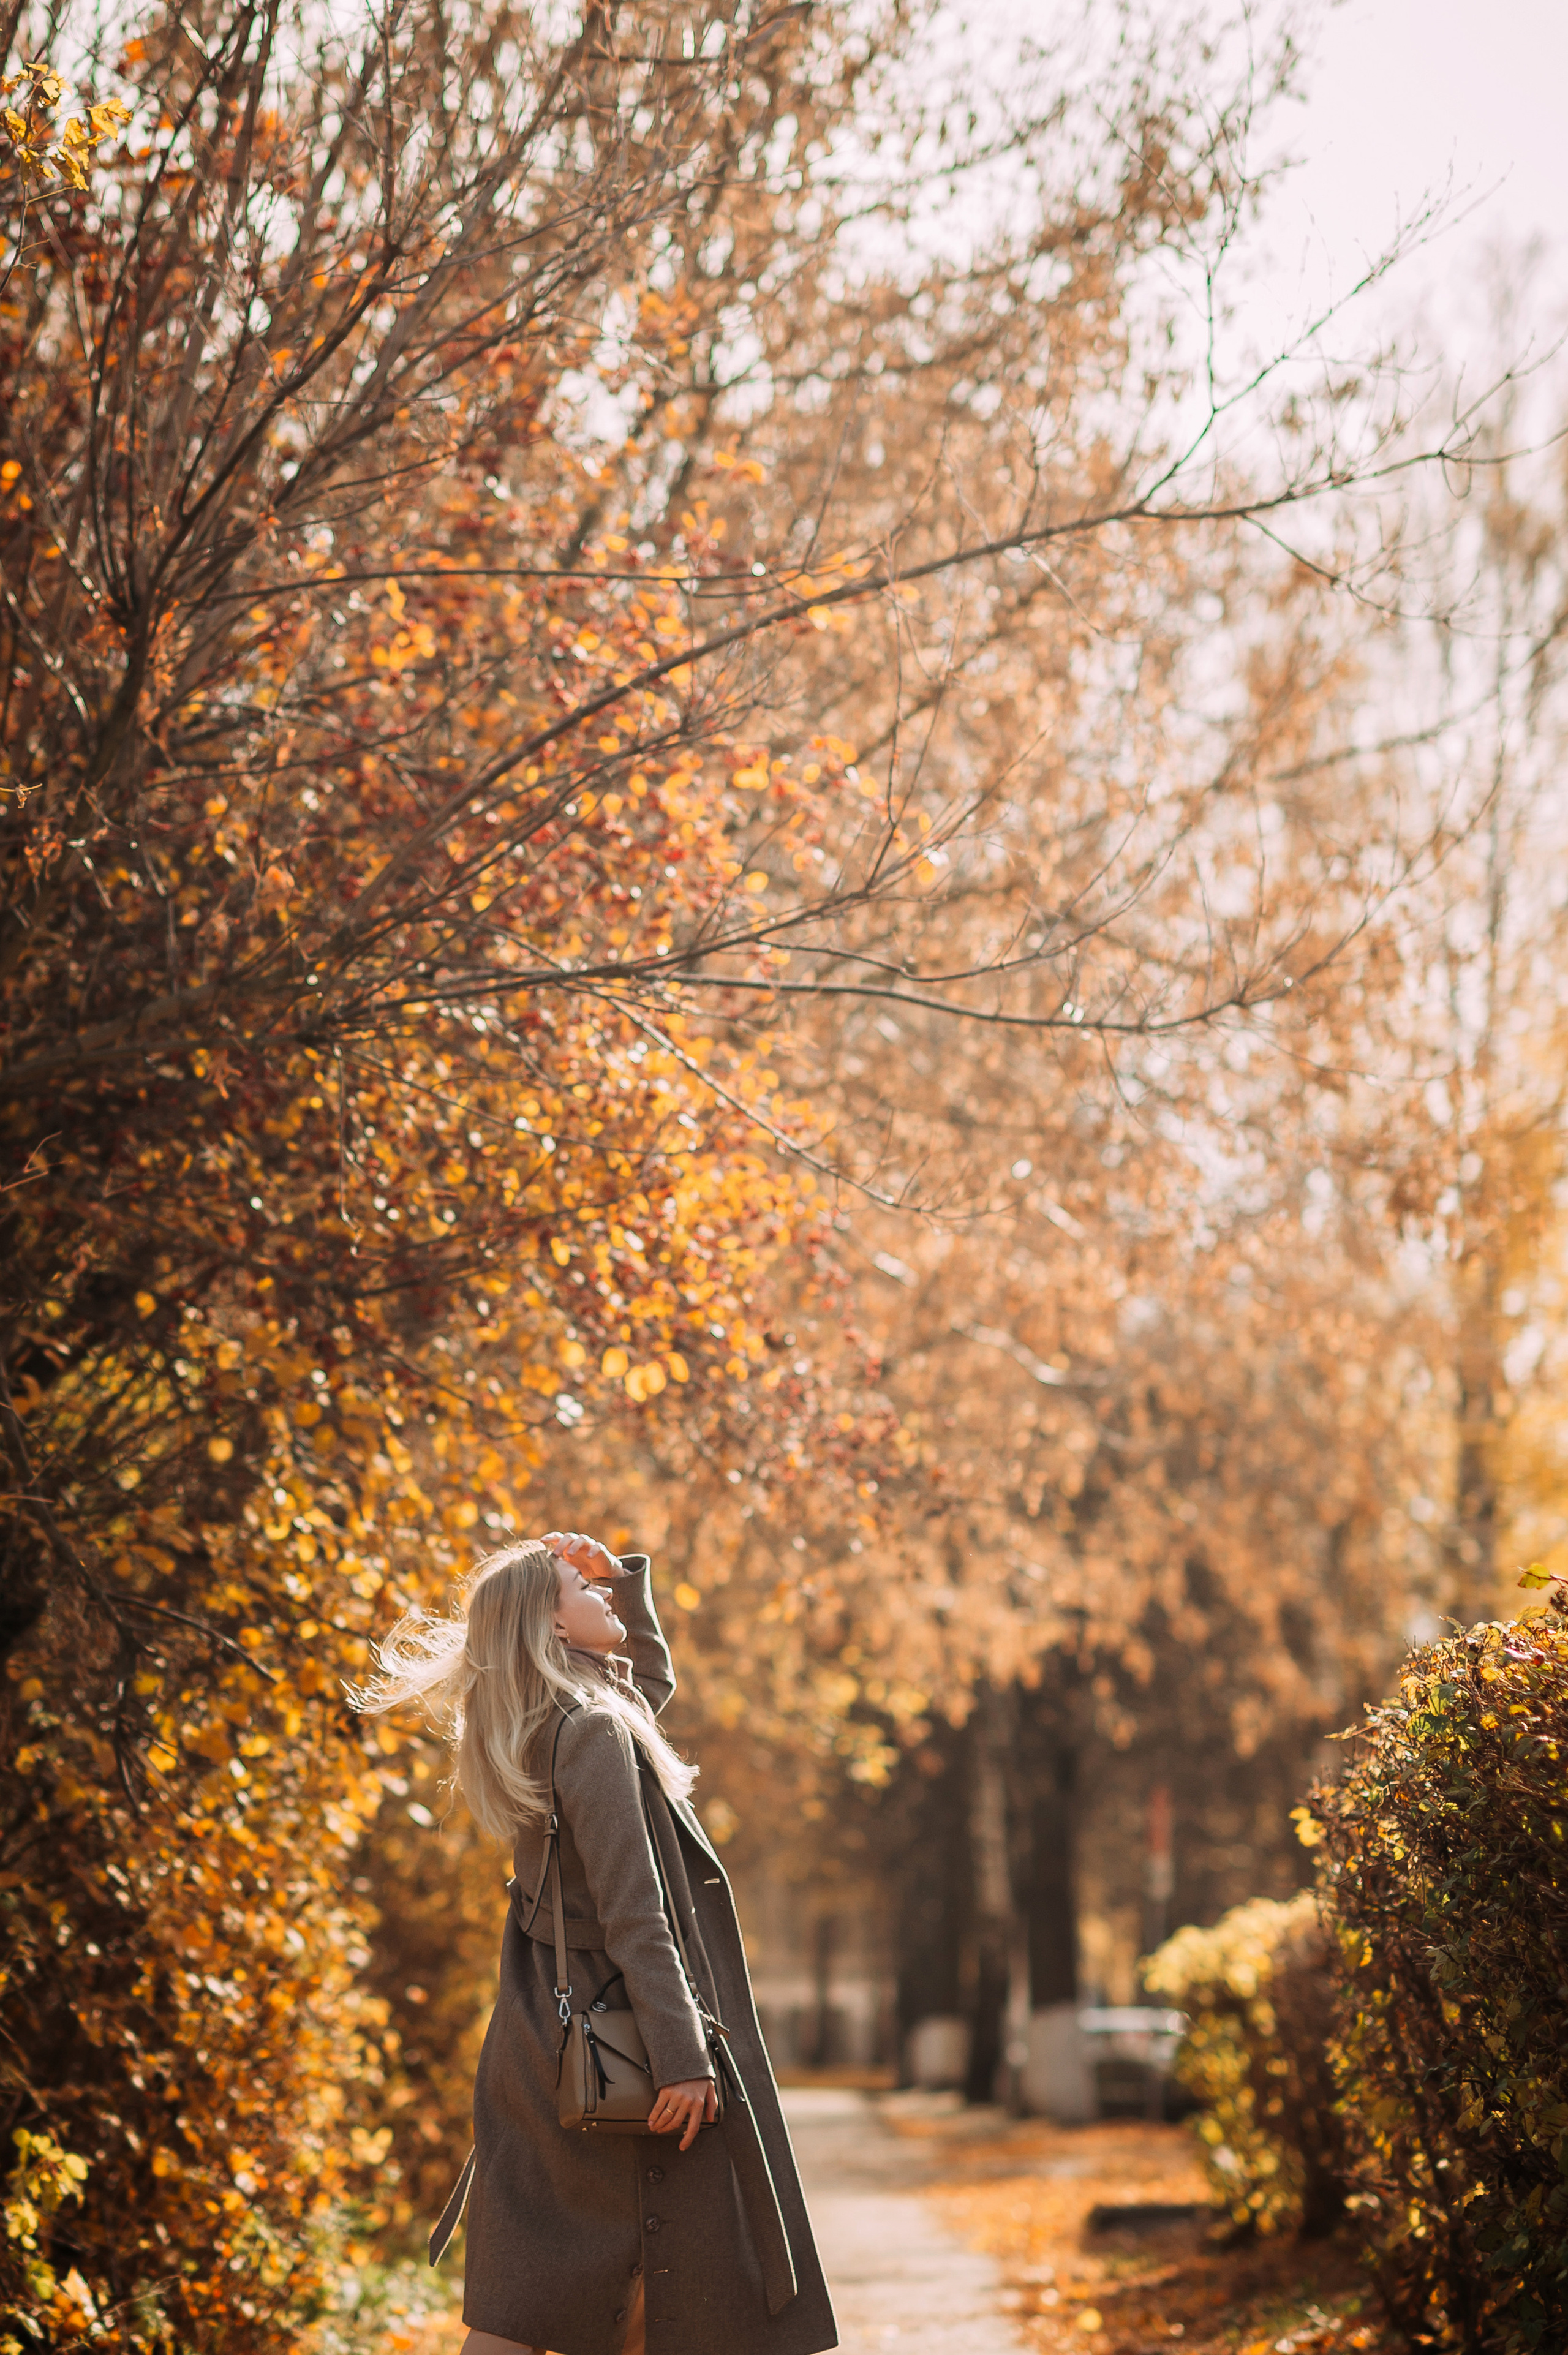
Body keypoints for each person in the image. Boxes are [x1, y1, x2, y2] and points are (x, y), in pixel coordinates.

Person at [355, 1529, 838, 2355]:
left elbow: (643, 1688)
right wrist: (685, 2054)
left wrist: (625, 1581)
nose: (599, 1593)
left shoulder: (565, 1718)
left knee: (541, 2288)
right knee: (621, 2277)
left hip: (547, 2033)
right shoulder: (590, 1733)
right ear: (551, 1627)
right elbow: (634, 1909)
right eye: (581, 1591)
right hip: (624, 2044)